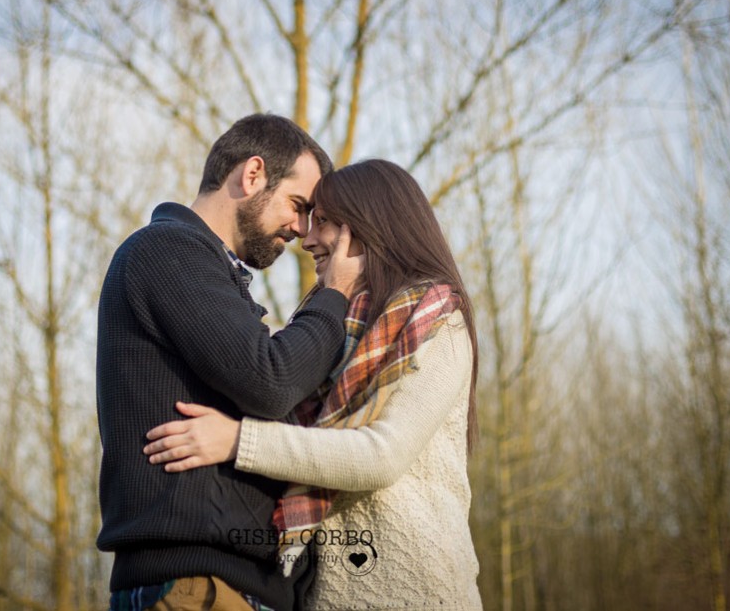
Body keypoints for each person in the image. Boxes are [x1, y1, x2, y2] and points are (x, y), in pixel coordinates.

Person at [143, 159, 483, 610]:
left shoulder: (439, 323)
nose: (307, 239)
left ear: (367, 226)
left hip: (417, 591)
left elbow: (382, 456)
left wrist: (237, 441)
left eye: (322, 221)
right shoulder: (330, 327)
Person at [95, 113, 364, 611]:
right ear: (253, 173)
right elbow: (272, 379)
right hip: (195, 586)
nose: (301, 230)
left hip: (225, 587)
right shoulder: (167, 250)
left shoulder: (209, 272)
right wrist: (336, 294)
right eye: (298, 205)